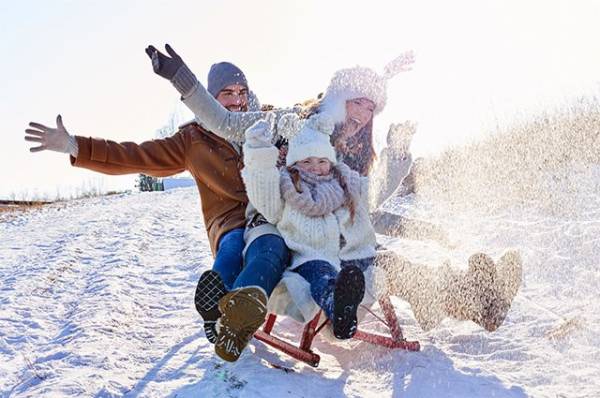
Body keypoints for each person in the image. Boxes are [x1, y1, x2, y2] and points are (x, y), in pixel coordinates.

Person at [148, 43, 522, 332]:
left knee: (394, 263)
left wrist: (399, 159)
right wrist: (182, 79)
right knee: (386, 264)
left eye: (370, 109)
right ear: (338, 101)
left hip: (344, 243)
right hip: (300, 242)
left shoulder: (347, 153)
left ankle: (483, 298)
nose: (361, 115)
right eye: (355, 104)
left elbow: (369, 202)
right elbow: (227, 122)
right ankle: (476, 299)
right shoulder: (292, 123)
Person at [24, 60, 290, 351]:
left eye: (242, 92)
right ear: (210, 97)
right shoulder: (193, 140)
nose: (237, 100)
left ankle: (236, 311)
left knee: (267, 247)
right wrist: (76, 146)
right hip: (228, 222)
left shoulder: (267, 122)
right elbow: (135, 155)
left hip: (270, 215)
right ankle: (218, 305)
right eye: (227, 93)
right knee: (233, 246)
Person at [242, 112, 375, 343]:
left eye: (322, 161)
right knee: (324, 278)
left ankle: (448, 293)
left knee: (395, 264)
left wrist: (397, 155)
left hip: (355, 254)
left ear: (330, 161)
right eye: (306, 161)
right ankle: (339, 311)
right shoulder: (287, 187)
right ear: (294, 163)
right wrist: (258, 152)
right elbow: (263, 195)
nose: (315, 167)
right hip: (312, 257)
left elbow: (378, 189)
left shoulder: (345, 181)